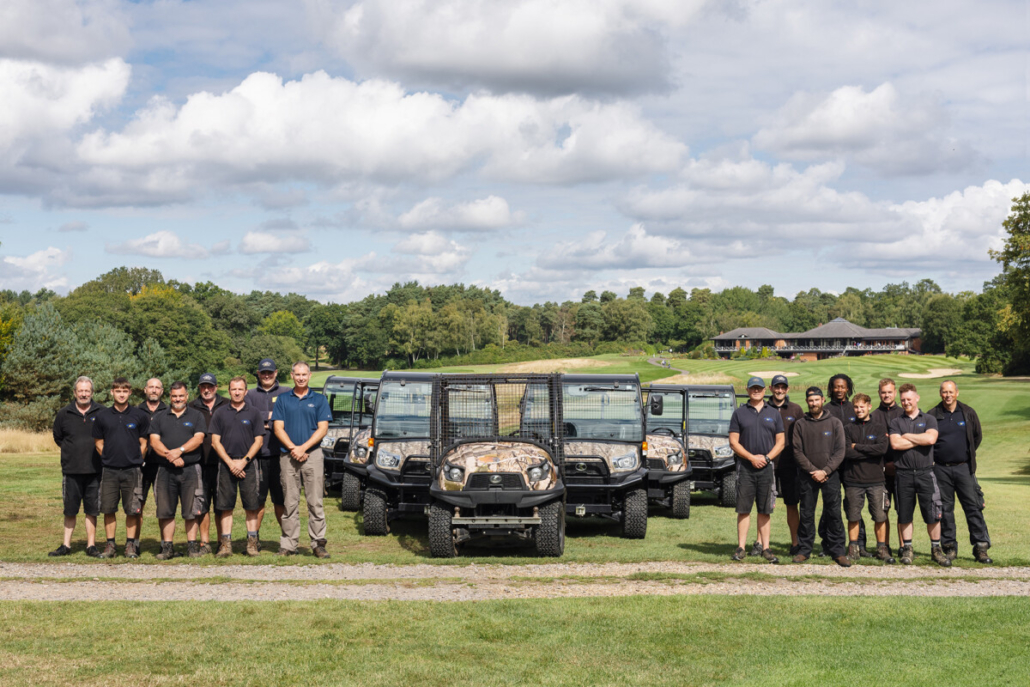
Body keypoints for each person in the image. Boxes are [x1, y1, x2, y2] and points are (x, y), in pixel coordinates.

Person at [271, 361, 332, 558]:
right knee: (290, 502)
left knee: (315, 502)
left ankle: (318, 543)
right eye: (297, 374)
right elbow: (278, 428)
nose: (301, 378)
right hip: (288, 456)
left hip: (312, 455)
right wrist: (293, 448)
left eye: (304, 374)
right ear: (292, 375)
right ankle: (289, 544)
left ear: (309, 375)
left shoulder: (320, 399)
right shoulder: (282, 400)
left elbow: (323, 428)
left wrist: (303, 448)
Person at [888, 383, 951, 567]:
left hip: (925, 473)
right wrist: (919, 440)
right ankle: (907, 548)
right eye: (903, 400)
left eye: (909, 399)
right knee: (905, 513)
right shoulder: (896, 422)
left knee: (933, 512)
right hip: (904, 474)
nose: (906, 402)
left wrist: (906, 436)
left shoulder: (930, 419)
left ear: (917, 398)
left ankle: (936, 549)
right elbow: (895, 445)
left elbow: (931, 439)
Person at [929, 381, 991, 563]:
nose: (947, 395)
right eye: (944, 392)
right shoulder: (933, 415)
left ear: (957, 392)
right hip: (941, 469)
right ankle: (949, 547)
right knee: (946, 510)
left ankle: (981, 547)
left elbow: (977, 436)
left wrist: (965, 455)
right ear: (940, 393)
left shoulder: (968, 412)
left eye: (950, 392)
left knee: (973, 508)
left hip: (964, 468)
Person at [727, 377, 784, 564]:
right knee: (743, 509)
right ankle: (741, 548)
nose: (756, 391)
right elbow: (733, 442)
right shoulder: (739, 413)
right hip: (745, 467)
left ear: (765, 390)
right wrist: (751, 458)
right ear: (748, 389)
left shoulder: (774, 413)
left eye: (759, 388)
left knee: (765, 509)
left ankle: (766, 548)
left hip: (767, 467)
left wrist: (766, 458)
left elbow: (781, 442)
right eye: (753, 388)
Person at [792, 386, 851, 567]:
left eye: (816, 400)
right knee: (807, 513)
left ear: (822, 400)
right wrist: (813, 471)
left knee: (834, 513)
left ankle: (838, 551)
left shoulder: (834, 423)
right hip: (807, 476)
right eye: (810, 400)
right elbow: (797, 451)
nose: (814, 403)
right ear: (807, 402)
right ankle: (804, 550)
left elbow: (840, 451)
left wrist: (825, 471)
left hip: (830, 475)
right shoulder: (801, 424)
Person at [92, 377, 150, 559]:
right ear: (112, 392)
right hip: (109, 471)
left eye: (125, 391)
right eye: (118, 391)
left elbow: (144, 443)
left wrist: (136, 459)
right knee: (108, 509)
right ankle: (110, 545)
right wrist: (109, 458)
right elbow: (98, 443)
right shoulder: (102, 416)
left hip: (132, 470)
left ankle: (130, 545)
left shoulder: (139, 415)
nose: (122, 394)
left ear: (130, 393)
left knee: (132, 509)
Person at [148, 381, 207, 559]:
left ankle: (192, 547)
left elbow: (198, 438)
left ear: (187, 396)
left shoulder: (196, 416)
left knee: (191, 510)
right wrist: (170, 456)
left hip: (190, 469)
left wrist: (180, 451)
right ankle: (167, 547)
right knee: (165, 511)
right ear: (169, 397)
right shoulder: (160, 416)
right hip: (165, 469)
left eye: (181, 396)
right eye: (174, 396)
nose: (178, 399)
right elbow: (154, 441)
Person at [210, 377, 265, 557]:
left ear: (246, 391)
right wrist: (230, 463)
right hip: (226, 465)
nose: (237, 392)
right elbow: (215, 442)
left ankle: (252, 544)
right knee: (226, 507)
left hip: (248, 465)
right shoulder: (220, 413)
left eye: (240, 389)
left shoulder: (254, 413)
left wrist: (244, 461)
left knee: (251, 506)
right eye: (233, 389)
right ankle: (226, 545)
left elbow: (259, 440)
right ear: (229, 390)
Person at [50, 376, 104, 557]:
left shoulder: (101, 412)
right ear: (74, 393)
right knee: (70, 509)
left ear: (92, 393)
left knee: (92, 510)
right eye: (80, 391)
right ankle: (66, 545)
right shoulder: (64, 414)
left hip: (95, 470)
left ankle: (91, 546)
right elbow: (58, 437)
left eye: (87, 391)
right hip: (71, 470)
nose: (83, 394)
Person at [842, 393, 894, 563]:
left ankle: (881, 548)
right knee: (853, 516)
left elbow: (881, 450)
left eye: (862, 406)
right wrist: (868, 451)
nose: (859, 410)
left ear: (869, 407)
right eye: (856, 407)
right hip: (853, 480)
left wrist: (858, 447)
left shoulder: (879, 427)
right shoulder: (848, 428)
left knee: (880, 516)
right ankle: (854, 549)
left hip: (876, 481)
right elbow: (847, 453)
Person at [244, 358, 291, 539]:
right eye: (263, 372)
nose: (266, 375)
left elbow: (288, 417)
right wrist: (270, 416)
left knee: (281, 501)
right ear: (258, 373)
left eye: (269, 372)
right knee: (258, 501)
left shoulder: (286, 393)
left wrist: (267, 421)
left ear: (276, 373)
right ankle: (253, 539)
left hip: (281, 455)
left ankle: (287, 539)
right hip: (258, 457)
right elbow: (249, 418)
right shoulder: (250, 395)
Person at [823, 373, 869, 557]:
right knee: (831, 505)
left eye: (843, 387)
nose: (839, 390)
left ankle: (859, 544)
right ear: (831, 388)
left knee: (853, 505)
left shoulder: (854, 408)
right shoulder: (826, 409)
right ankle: (829, 544)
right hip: (832, 465)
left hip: (852, 465)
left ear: (848, 388)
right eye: (836, 387)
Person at [188, 372, 229, 555]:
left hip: (223, 463)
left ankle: (222, 542)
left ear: (216, 387)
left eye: (210, 386)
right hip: (199, 463)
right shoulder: (191, 407)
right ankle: (205, 543)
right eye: (203, 386)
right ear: (199, 388)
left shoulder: (227, 405)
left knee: (221, 505)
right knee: (202, 506)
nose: (207, 390)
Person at [767, 374, 804, 556]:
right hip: (767, 464)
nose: (779, 390)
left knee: (792, 504)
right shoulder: (764, 408)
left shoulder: (796, 410)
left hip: (790, 465)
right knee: (764, 505)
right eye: (776, 387)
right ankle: (762, 544)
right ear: (771, 388)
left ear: (787, 389)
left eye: (783, 387)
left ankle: (795, 543)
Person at [872, 378, 903, 554]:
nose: (886, 395)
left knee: (902, 510)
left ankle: (903, 546)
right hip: (880, 471)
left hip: (901, 469)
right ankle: (884, 546)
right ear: (879, 393)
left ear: (895, 392)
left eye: (889, 392)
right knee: (882, 511)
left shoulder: (903, 413)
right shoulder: (874, 415)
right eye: (883, 392)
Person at [138, 378, 167, 511]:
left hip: (162, 464)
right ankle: (134, 533)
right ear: (145, 389)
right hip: (140, 464)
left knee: (163, 506)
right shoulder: (136, 411)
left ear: (161, 391)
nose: (154, 390)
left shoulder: (168, 411)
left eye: (157, 388)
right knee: (137, 506)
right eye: (150, 387)